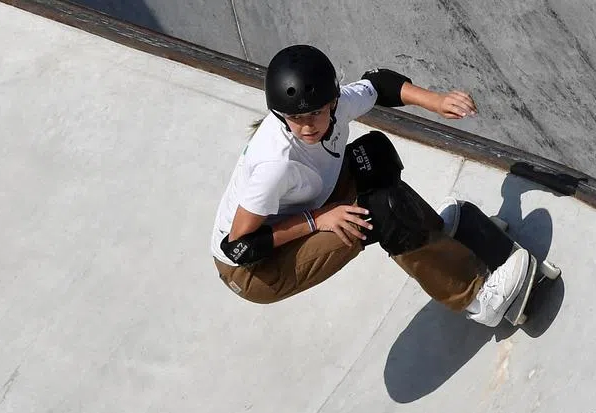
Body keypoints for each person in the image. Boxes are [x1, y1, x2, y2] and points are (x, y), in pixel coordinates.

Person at [210, 44, 529, 326]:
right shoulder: (274, 165)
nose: (307, 126)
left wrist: (437, 101)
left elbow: (379, 84)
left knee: (374, 156)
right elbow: (238, 247)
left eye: (316, 114)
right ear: (281, 115)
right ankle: (478, 299)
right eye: (296, 119)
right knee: (379, 213)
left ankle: (437, 238)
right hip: (257, 269)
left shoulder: (337, 105)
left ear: (332, 102)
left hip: (305, 204)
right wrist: (317, 220)